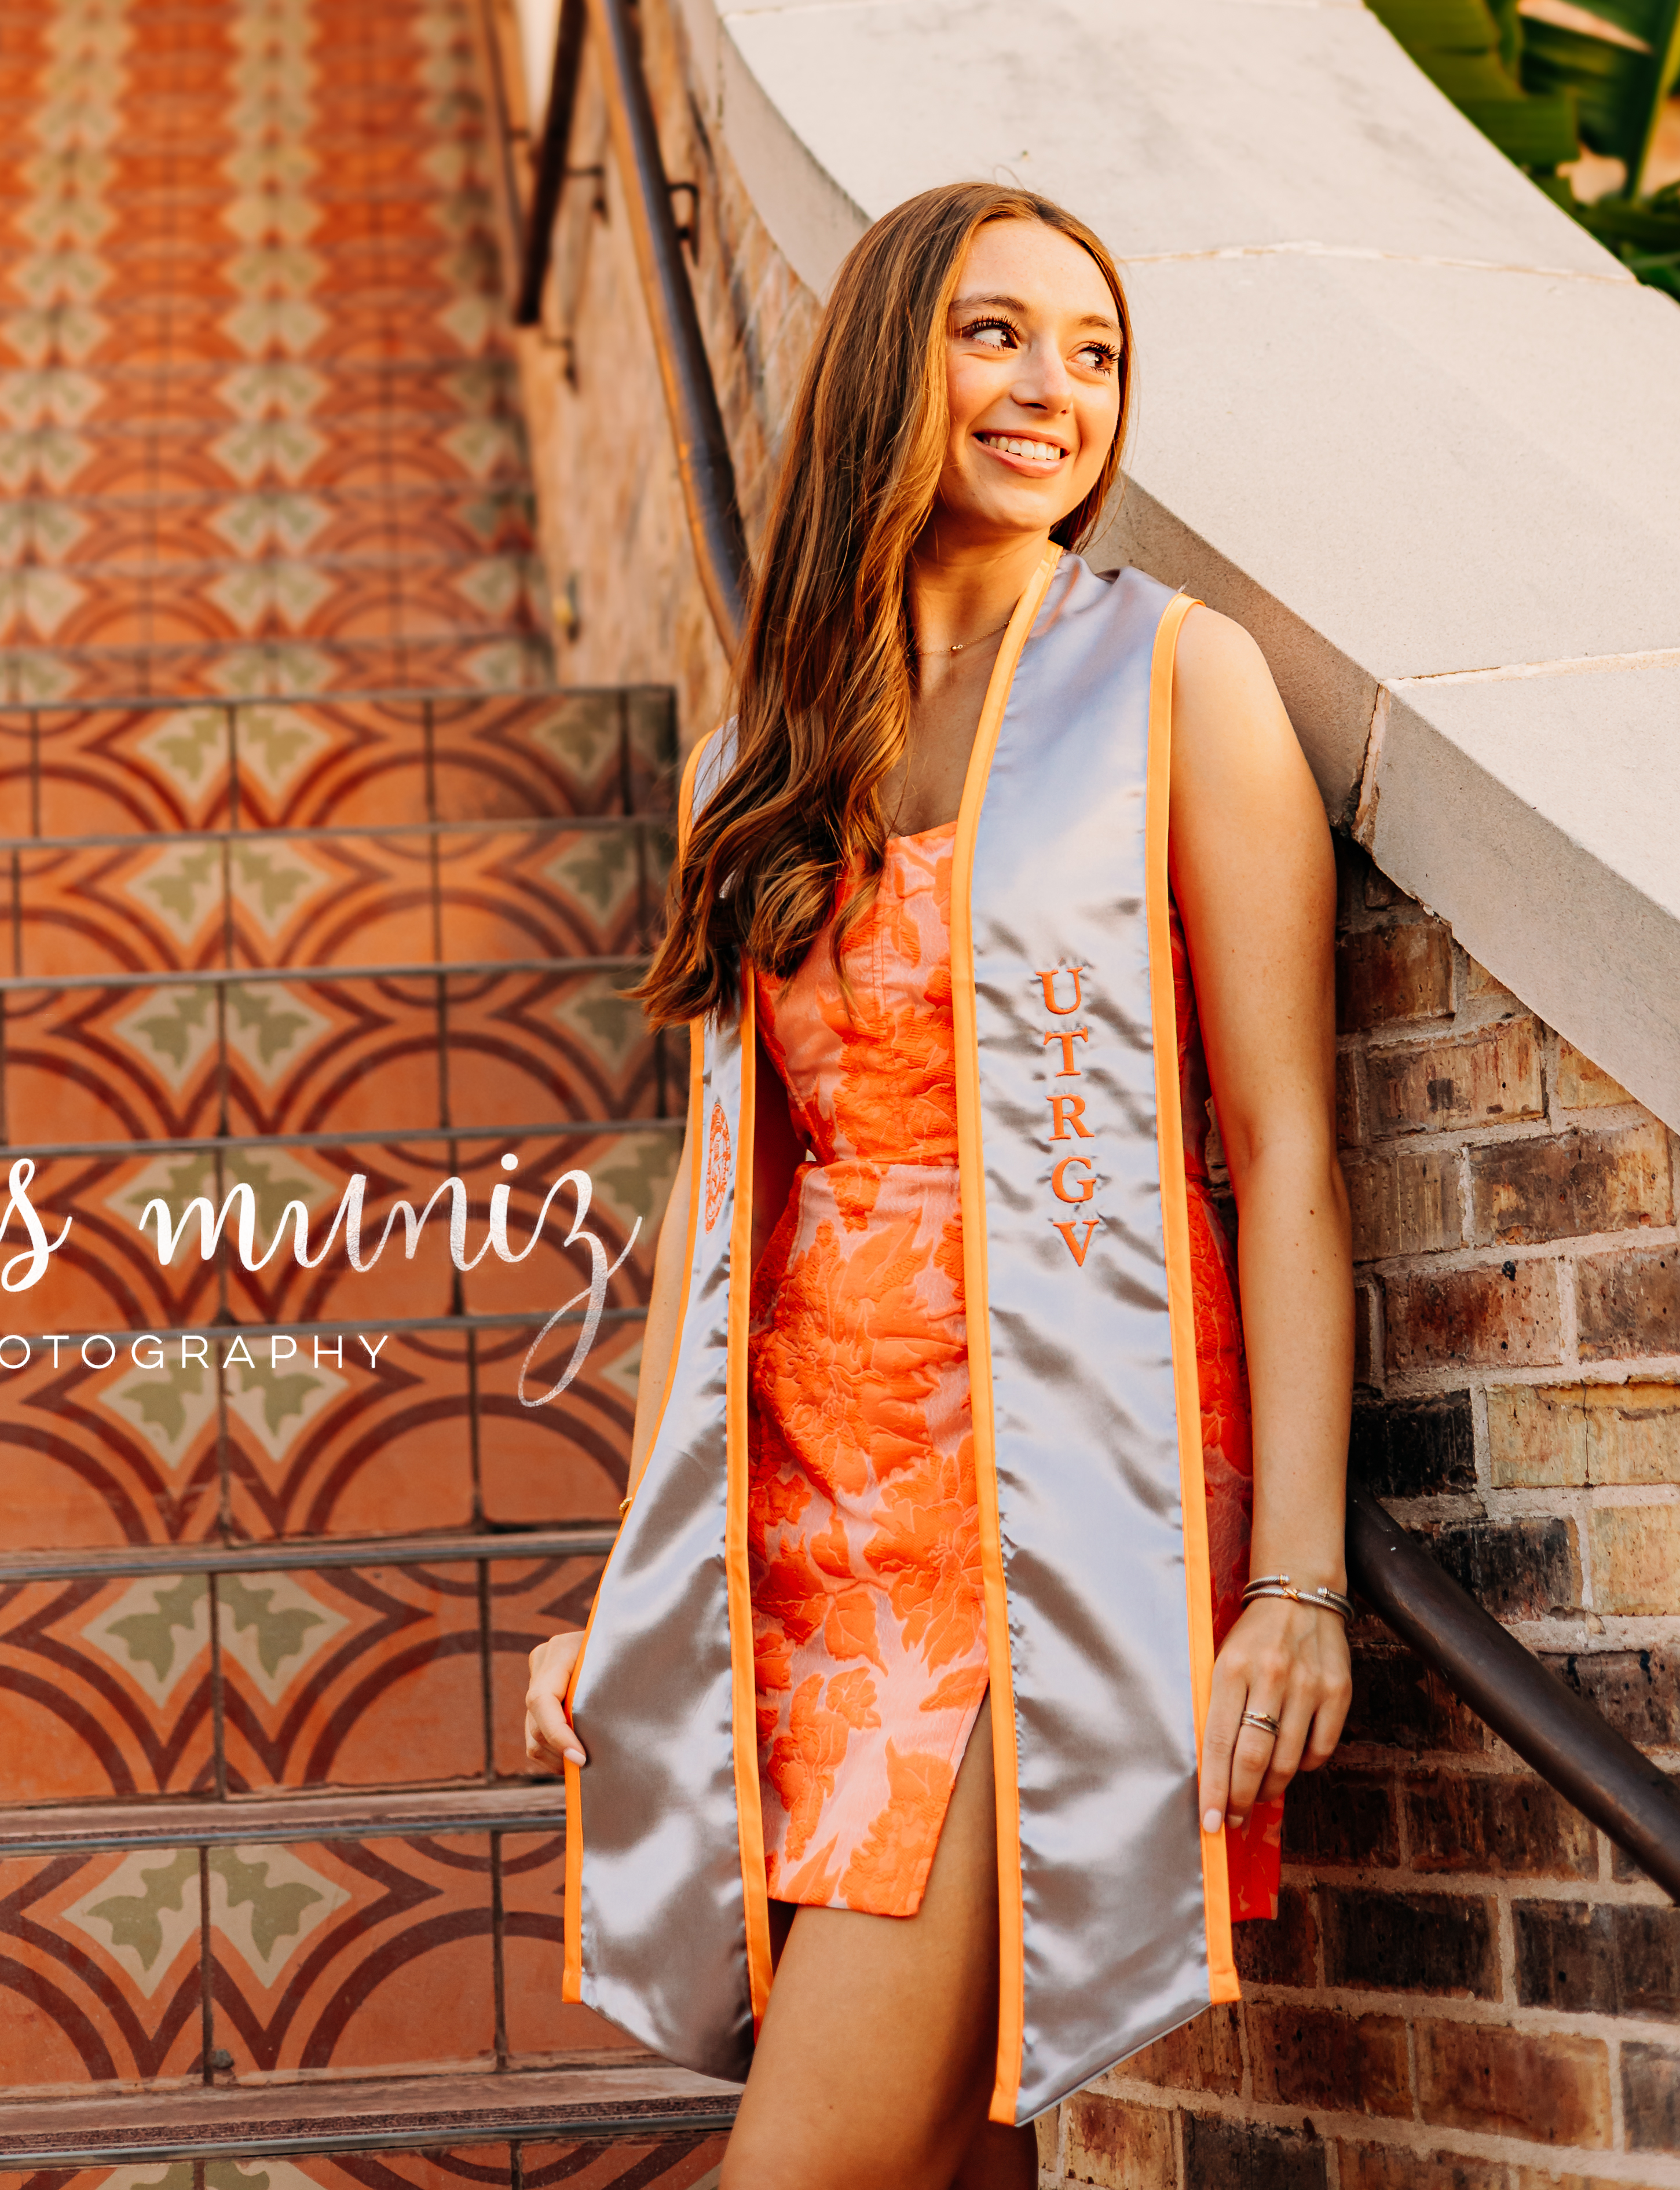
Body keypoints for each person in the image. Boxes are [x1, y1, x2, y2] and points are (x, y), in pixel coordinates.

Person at [523, 181, 1355, 2190]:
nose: (1053, 390)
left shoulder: (1175, 681)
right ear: (894, 356)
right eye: (997, 333)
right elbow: (722, 1216)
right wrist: (642, 1577)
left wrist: (1297, 1584)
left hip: (1050, 1507)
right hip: (804, 1509)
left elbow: (1287, 1156)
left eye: (1096, 353)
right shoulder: (766, 752)